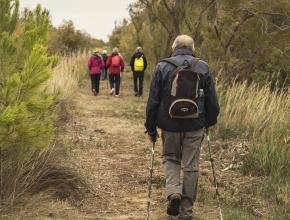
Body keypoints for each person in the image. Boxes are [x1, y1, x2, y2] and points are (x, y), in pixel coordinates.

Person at [145, 35, 220, 220]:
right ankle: (186, 212)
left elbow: (153, 101)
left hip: (169, 124)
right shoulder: (203, 66)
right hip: (195, 125)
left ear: (173, 47)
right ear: (193, 48)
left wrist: (151, 127)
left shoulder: (162, 66)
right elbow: (213, 102)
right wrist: (208, 122)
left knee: (170, 158)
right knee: (191, 167)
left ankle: (173, 193)